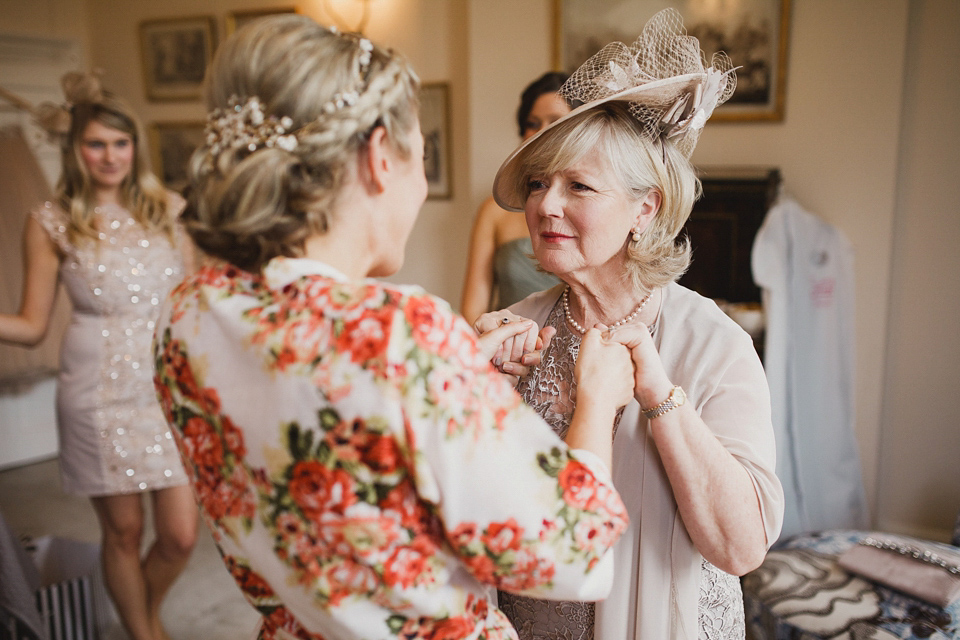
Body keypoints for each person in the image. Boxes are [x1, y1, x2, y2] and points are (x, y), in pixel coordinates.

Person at [152, 15, 636, 640]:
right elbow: (579, 560)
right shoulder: (399, 335)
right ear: (381, 156)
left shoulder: (188, 312)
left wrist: (451, 373)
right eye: (423, 156)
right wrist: (595, 403)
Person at [476, 9, 785, 640]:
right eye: (538, 183)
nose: (545, 206)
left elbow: (741, 548)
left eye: (579, 187)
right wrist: (469, 386)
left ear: (646, 208)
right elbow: (479, 515)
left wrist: (660, 400)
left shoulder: (714, 346)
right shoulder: (514, 336)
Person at [0, 74, 198, 640]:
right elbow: (32, 325)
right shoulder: (51, 220)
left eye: (120, 142)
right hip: (97, 393)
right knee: (123, 533)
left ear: (135, 147)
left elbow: (191, 302)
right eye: (96, 143)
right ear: (75, 149)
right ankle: (143, 632)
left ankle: (143, 613)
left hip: (165, 388)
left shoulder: (170, 209)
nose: (110, 156)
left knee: (182, 535)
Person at [460, 72, 573, 325]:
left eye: (555, 121)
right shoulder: (494, 211)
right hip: (507, 350)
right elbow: (472, 311)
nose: (540, 132)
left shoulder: (594, 207)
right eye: (533, 123)